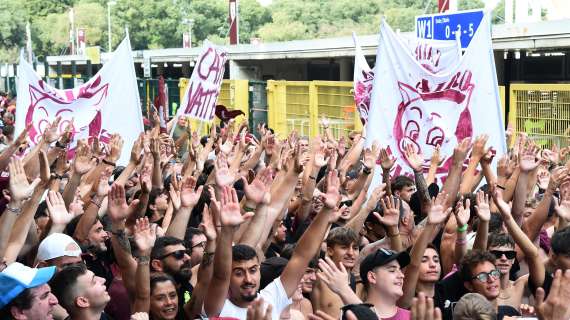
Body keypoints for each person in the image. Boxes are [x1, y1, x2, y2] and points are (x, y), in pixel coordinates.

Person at [311, 227, 359, 318]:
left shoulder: (359, 283)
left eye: (355, 248)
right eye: (344, 247)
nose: (351, 253)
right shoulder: (318, 278)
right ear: (330, 251)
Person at [360, 248, 411, 319]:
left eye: (400, 270)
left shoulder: (413, 317)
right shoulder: (351, 316)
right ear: (372, 277)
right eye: (392, 270)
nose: (402, 275)